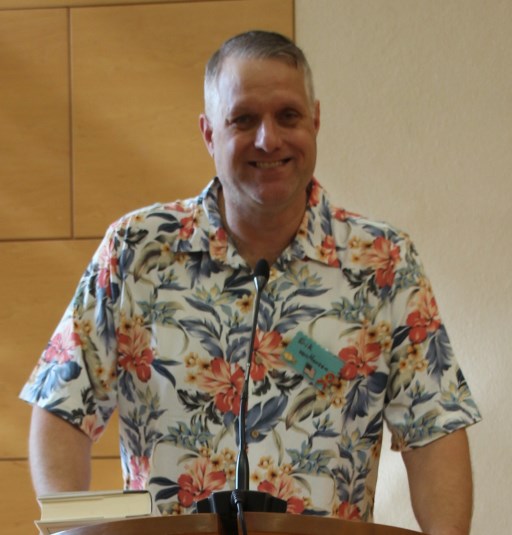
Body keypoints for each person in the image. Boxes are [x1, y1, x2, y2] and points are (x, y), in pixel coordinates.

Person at [21, 30, 481, 534]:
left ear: (316, 121)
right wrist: (84, 534)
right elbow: (61, 412)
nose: (269, 139)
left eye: (288, 116)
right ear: (208, 133)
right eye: (243, 119)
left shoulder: (385, 263)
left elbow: (434, 431)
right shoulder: (136, 250)